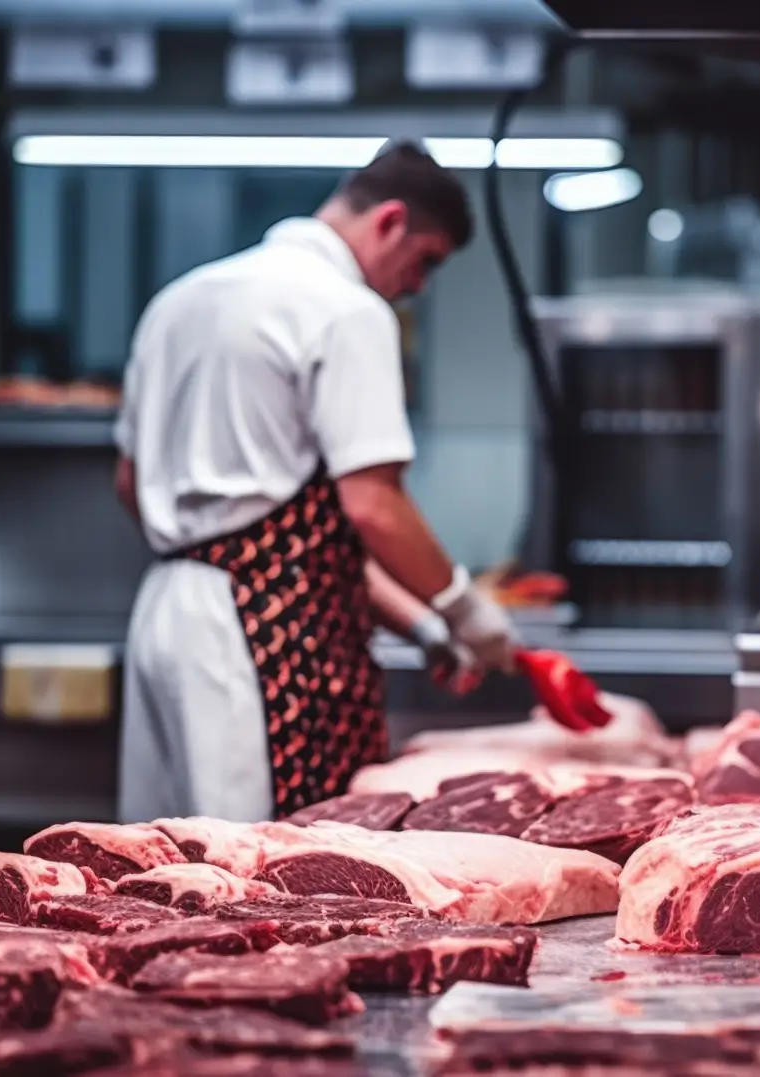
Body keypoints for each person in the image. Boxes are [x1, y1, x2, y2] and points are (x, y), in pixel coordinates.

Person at [111, 141, 519, 825]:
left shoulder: (178, 301)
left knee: (159, 858)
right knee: (253, 862)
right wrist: (466, 610)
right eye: (426, 261)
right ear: (390, 221)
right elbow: (373, 506)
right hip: (259, 634)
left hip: (161, 615)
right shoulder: (346, 311)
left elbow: (131, 482)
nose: (419, 286)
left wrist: (422, 627)